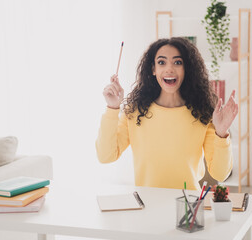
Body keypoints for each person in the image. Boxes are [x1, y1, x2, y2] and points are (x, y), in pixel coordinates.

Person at [96, 37, 238, 190]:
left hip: (187, 206)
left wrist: (222, 133)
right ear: (153, 69)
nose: (169, 69)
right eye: (162, 62)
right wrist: (112, 109)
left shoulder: (202, 114)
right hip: (147, 205)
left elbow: (220, 174)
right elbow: (106, 156)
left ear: (186, 69)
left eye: (177, 62)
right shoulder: (134, 112)